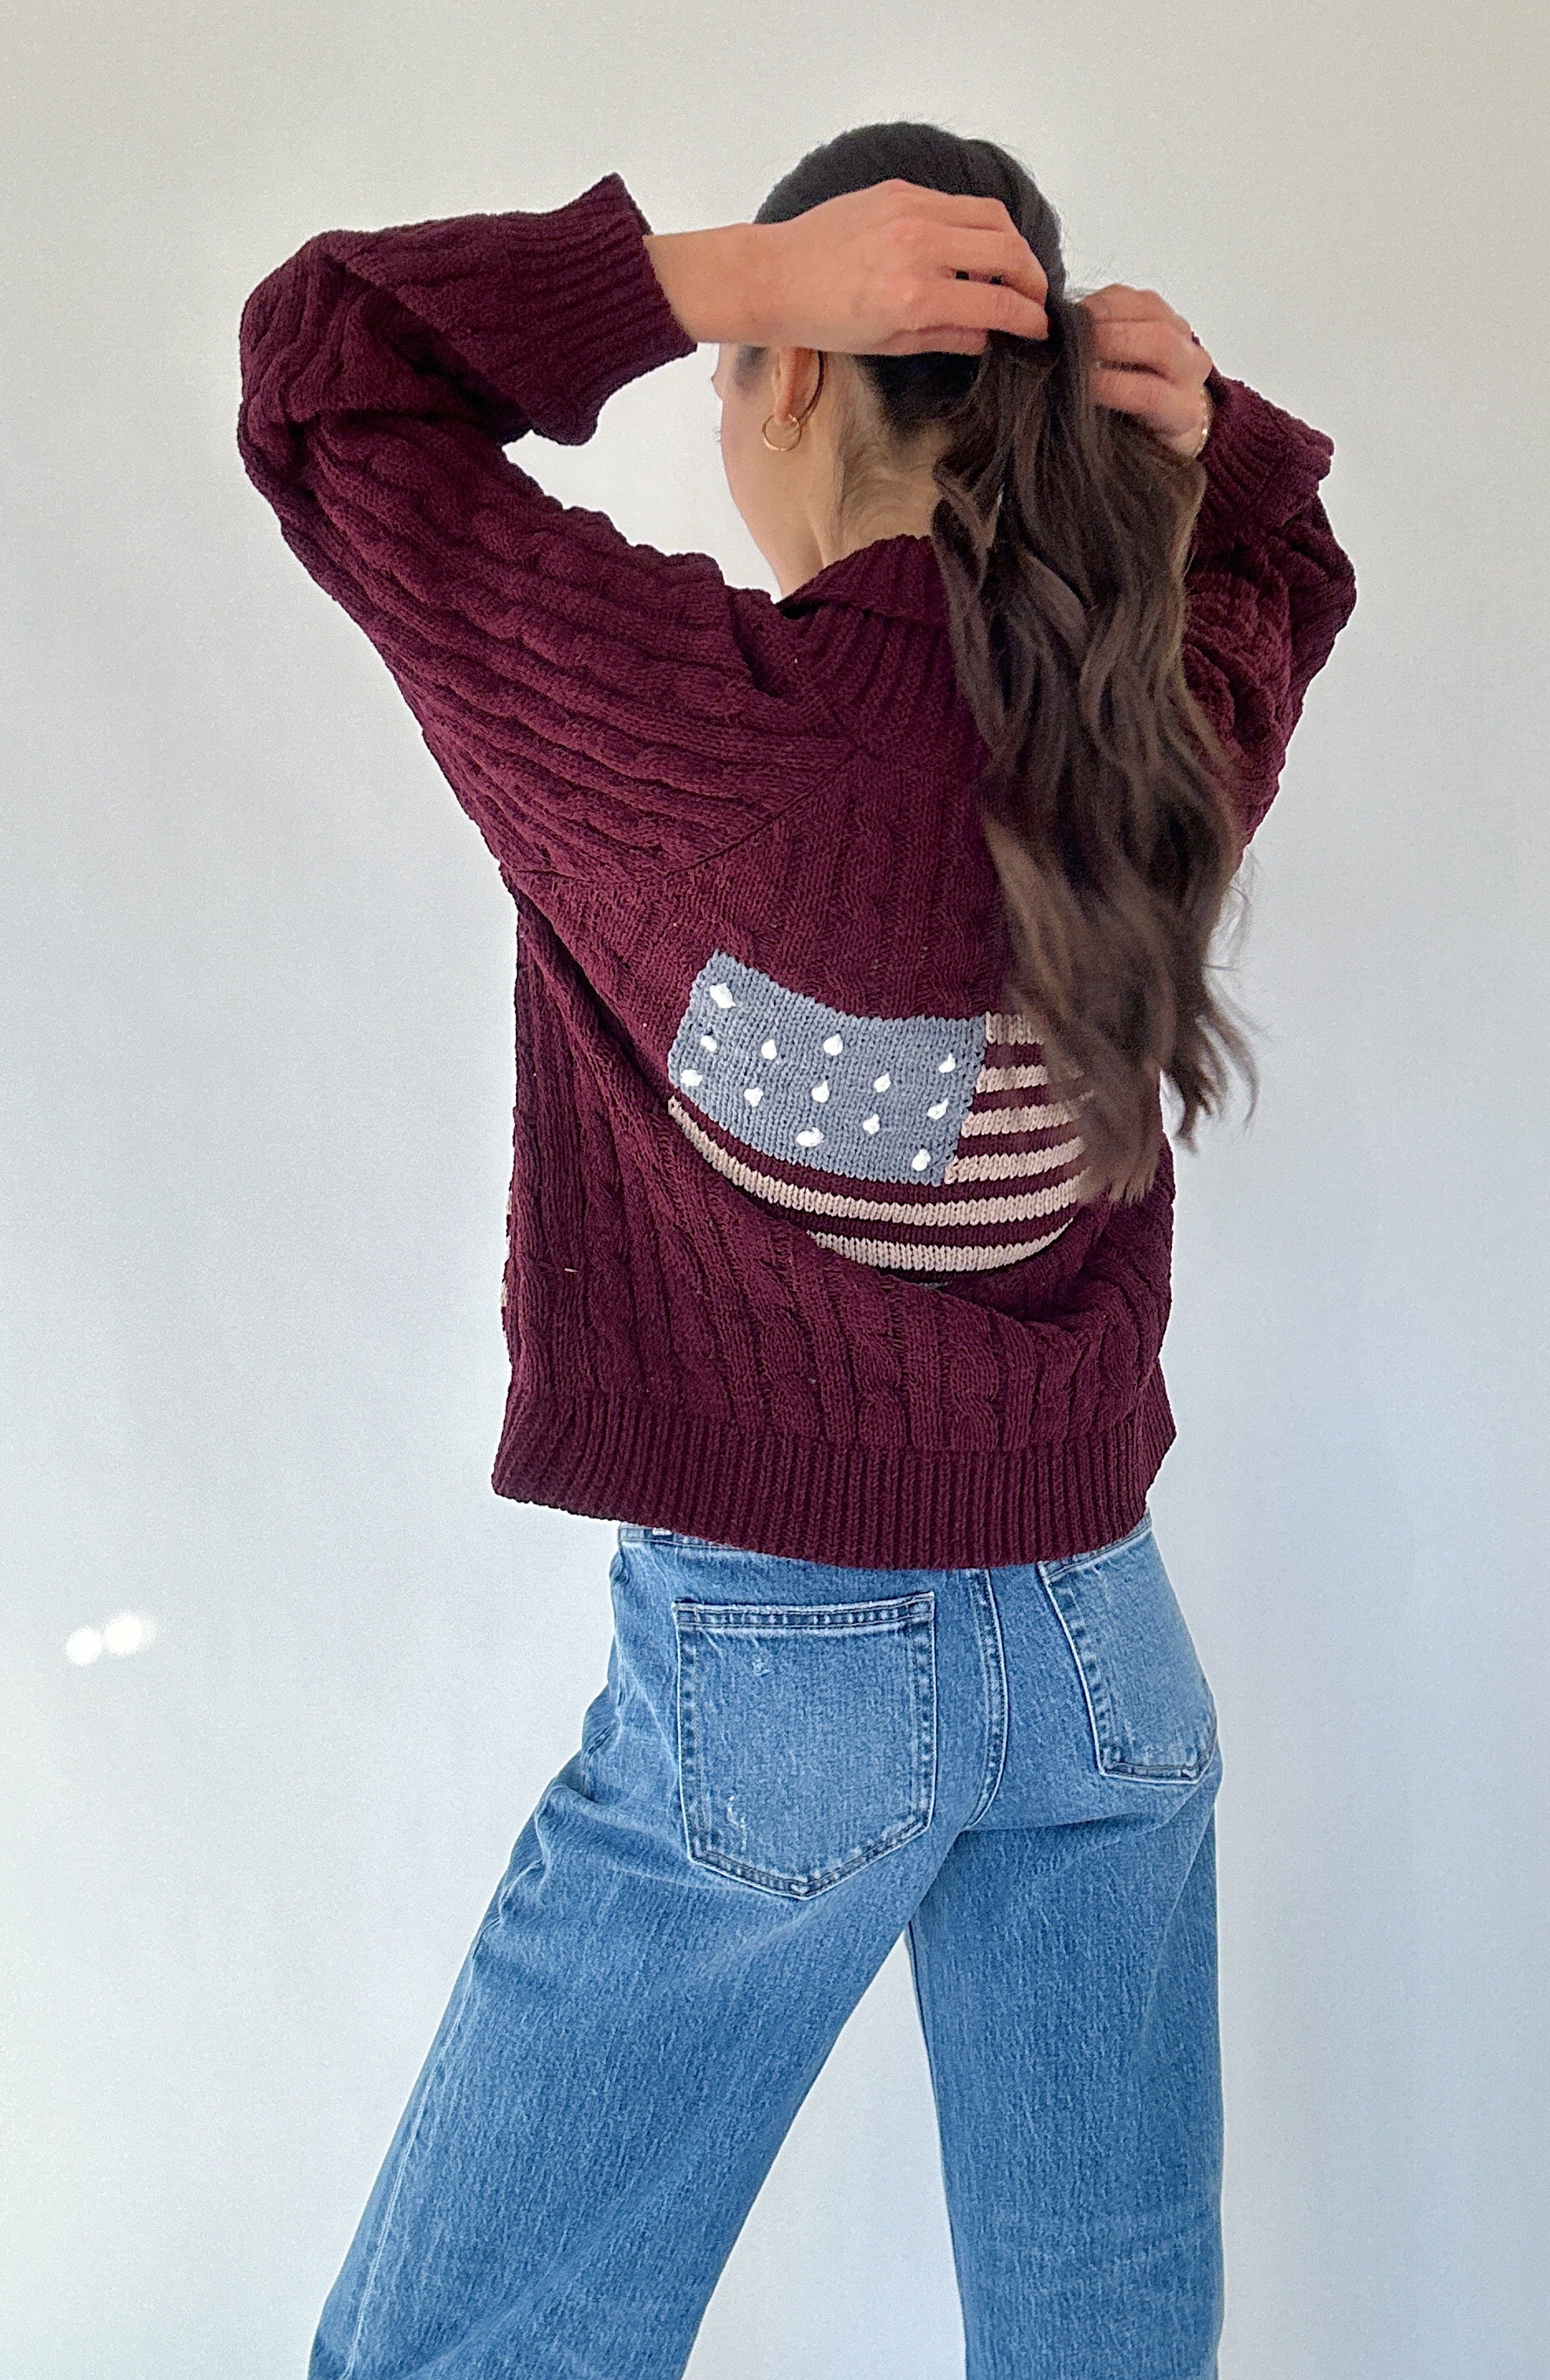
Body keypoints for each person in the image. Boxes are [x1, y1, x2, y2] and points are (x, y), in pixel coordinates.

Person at [238, 117, 1356, 2380]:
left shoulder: (666, 718)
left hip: (776, 1681)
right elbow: (1284, 570)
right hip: (1105, 1662)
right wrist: (1216, 443)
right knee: (1109, 2343)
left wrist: (706, 271)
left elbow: (323, 373)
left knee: (464, 2347)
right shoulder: (1159, 739)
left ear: (791, 379)